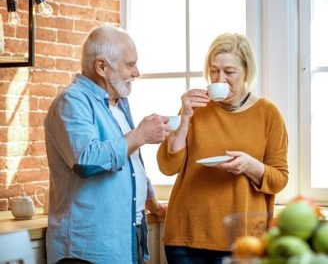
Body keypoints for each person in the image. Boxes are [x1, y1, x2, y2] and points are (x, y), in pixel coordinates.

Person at [157, 32, 289, 263]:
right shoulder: (196, 108)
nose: (219, 79)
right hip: (185, 237)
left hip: (240, 241)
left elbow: (279, 178)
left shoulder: (268, 113)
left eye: (229, 71)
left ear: (247, 71)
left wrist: (251, 166)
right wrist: (186, 116)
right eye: (214, 70)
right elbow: (168, 167)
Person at [44, 25, 169, 264]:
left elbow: (130, 158)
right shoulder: (72, 101)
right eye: (130, 65)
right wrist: (140, 134)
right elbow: (87, 160)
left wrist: (150, 200)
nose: (137, 72)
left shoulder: (118, 103)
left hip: (128, 237)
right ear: (101, 66)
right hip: (87, 249)